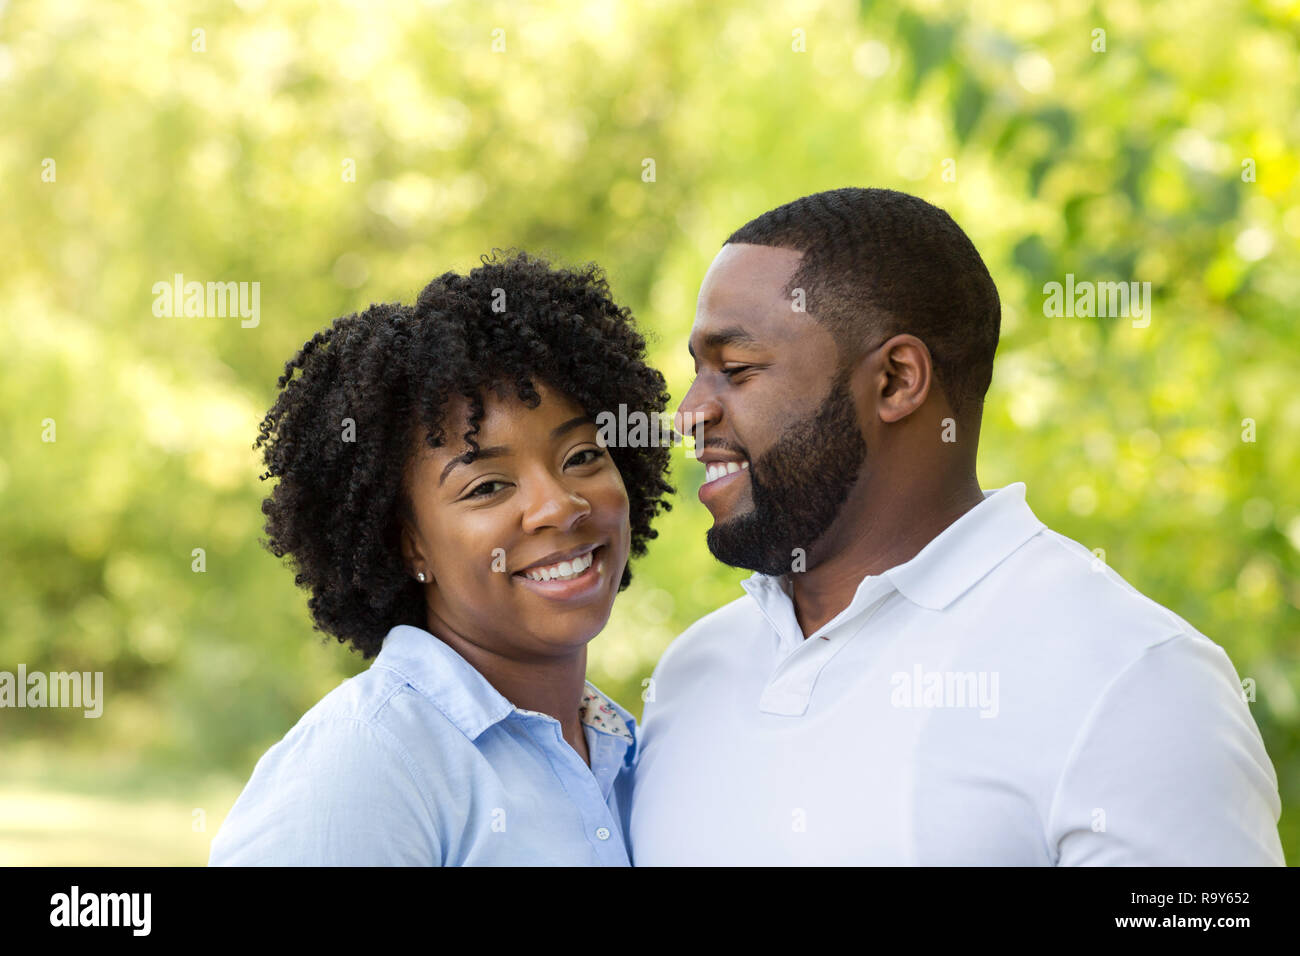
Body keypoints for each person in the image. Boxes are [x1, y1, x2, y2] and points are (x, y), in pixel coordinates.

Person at [628, 187, 1285, 865]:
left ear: (895, 381)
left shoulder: (1136, 680)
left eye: (735, 371)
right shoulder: (691, 675)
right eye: (696, 373)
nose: (689, 414)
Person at [209, 250, 673, 865]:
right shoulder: (368, 763)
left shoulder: (632, 755)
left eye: (582, 456)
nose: (558, 506)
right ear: (408, 543)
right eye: (487, 487)